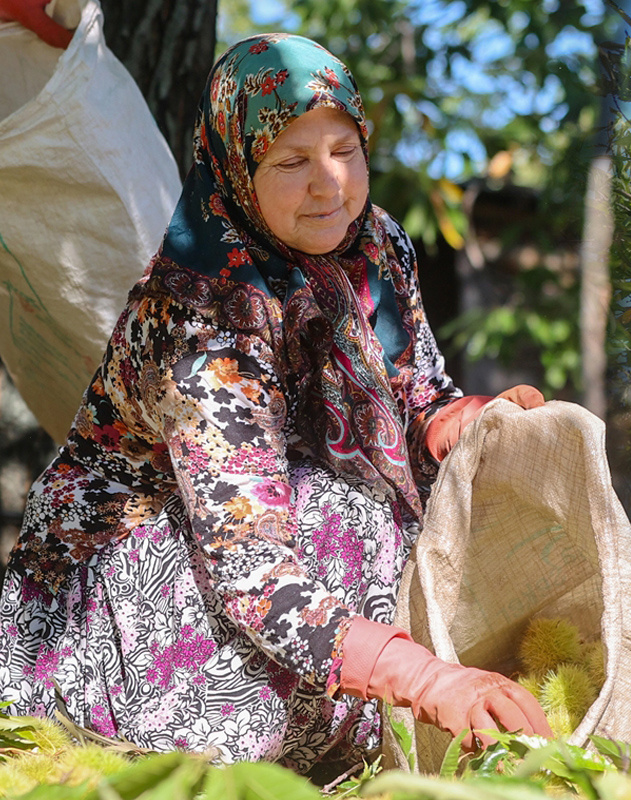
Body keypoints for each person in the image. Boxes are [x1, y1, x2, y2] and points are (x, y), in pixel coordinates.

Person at [0, 33, 553, 775]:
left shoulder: (375, 246)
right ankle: (248, 744)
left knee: (388, 506)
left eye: (345, 149)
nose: (330, 185)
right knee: (346, 513)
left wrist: (457, 422)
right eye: (291, 162)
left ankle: (346, 721)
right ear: (237, 168)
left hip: (269, 554)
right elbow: (252, 567)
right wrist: (422, 680)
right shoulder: (204, 314)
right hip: (113, 604)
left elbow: (416, 388)